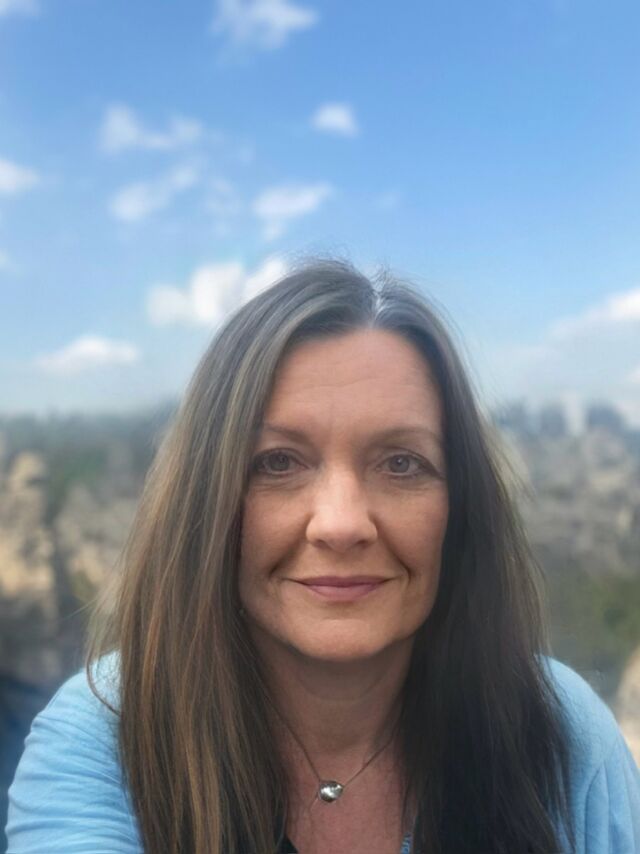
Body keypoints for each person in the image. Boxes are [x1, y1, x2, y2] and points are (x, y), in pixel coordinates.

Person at [5, 260, 640, 854]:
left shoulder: (559, 732)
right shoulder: (105, 737)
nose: (341, 524)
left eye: (402, 463)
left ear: (460, 509)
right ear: (208, 502)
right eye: (277, 462)